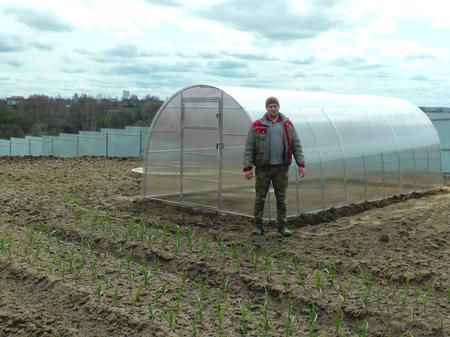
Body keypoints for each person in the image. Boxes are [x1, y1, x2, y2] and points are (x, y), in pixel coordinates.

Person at [243, 96, 305, 237]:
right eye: (270, 106)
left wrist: (301, 164)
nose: (273, 108)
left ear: (278, 107)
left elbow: (296, 145)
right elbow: (249, 147)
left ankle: (282, 226)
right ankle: (258, 226)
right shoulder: (257, 125)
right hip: (263, 168)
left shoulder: (287, 125)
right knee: (260, 198)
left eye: (274, 106)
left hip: (281, 168)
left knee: (281, 199)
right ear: (266, 108)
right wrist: (247, 168)